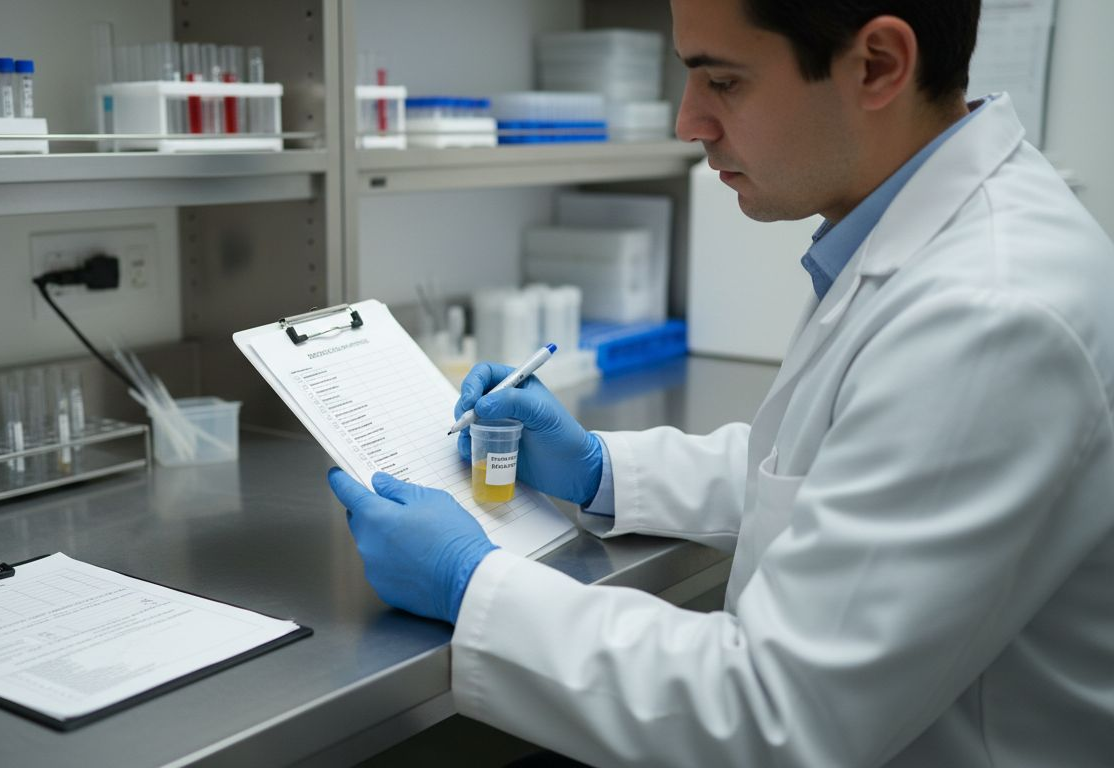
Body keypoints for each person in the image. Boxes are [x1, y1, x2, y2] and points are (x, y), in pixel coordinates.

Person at [328, 0, 1114, 764]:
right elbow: (836, 471)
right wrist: (601, 469)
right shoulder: (914, 243)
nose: (688, 121)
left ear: (877, 65)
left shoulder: (988, 313)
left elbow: (776, 716)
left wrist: (470, 584)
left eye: (723, 81)